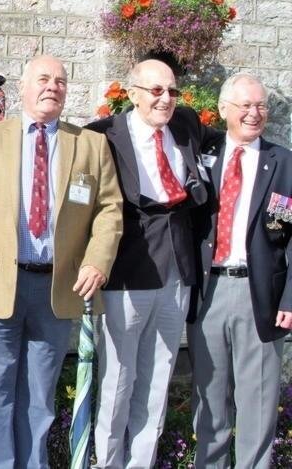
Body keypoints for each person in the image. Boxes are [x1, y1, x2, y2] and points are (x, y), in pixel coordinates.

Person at [0, 54, 123, 468]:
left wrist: (97, 261)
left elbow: (110, 210)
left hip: (56, 287)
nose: (52, 87)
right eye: (43, 79)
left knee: (39, 395)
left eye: (60, 81)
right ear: (23, 87)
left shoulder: (90, 145)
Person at [86, 59, 209, 468]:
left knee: (157, 381)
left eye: (172, 91)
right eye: (156, 90)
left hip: (177, 272)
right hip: (126, 271)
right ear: (133, 93)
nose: (165, 99)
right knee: (118, 381)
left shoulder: (186, 125)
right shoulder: (103, 136)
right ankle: (107, 463)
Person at [188, 73, 292, 469]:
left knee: (258, 402)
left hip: (260, 295)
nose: (254, 113)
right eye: (245, 105)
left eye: (261, 105)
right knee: (209, 401)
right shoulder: (201, 153)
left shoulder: (284, 163)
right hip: (208, 292)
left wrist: (290, 299)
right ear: (223, 109)